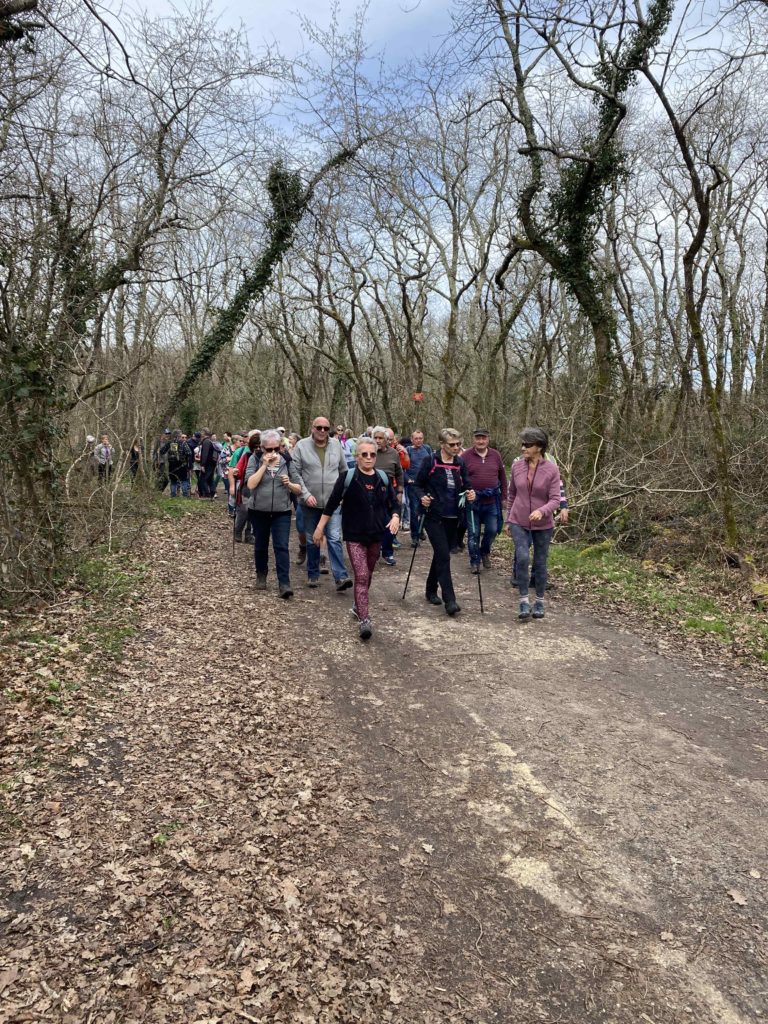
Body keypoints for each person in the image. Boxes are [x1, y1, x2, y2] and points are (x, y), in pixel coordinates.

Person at [312, 438, 400, 640]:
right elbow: (332, 504)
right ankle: (365, 620)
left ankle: (357, 606)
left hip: (376, 535)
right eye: (364, 454)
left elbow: (394, 504)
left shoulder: (383, 478)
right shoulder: (347, 478)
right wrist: (320, 528)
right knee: (360, 576)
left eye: (372, 454)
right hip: (354, 536)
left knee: (367, 574)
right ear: (357, 456)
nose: (369, 458)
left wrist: (395, 517)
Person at [414, 428, 475, 616]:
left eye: (458, 444)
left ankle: (430, 590)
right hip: (433, 516)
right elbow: (417, 485)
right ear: (442, 444)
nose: (456, 447)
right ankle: (450, 600)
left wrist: (471, 493)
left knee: (441, 554)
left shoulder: (460, 463)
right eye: (452, 445)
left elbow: (466, 484)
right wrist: (422, 497)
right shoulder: (430, 461)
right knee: (444, 555)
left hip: (454, 516)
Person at [506, 427, 562, 621]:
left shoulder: (551, 469)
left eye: (527, 445)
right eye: (522, 444)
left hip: (543, 523)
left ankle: (539, 601)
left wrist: (542, 511)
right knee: (522, 557)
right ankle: (523, 600)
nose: (523, 448)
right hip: (518, 520)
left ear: (539, 447)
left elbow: (556, 499)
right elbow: (512, 493)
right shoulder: (516, 466)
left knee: (540, 561)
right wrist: (508, 519)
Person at [245, 430, 307, 598]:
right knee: (260, 546)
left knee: (281, 546)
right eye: (268, 449)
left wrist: (290, 484)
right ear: (261, 448)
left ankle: (284, 584)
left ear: (281, 446)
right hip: (258, 511)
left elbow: (299, 487)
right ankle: (261, 576)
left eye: (276, 448)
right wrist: (264, 465)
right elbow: (250, 484)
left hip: (282, 511)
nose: (272, 453)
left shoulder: (287, 460)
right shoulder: (255, 459)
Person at [292, 416, 351, 591]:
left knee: (334, 537)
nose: (322, 431)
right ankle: (312, 573)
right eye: (319, 427)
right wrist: (305, 494)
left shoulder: (336, 445)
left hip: (333, 503)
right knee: (312, 539)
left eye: (326, 428)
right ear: (312, 428)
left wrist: (342, 494)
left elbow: (344, 471)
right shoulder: (301, 446)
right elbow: (296, 474)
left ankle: (341, 576)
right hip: (309, 502)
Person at [462, 428, 507, 574]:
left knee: (492, 530)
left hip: (492, 500)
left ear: (488, 439)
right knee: (473, 533)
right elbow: (459, 477)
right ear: (473, 439)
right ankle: (474, 561)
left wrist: (504, 497)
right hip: (472, 501)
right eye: (478, 438)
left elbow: (502, 477)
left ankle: (484, 551)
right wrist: (465, 493)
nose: (480, 441)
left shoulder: (496, 455)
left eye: (483, 438)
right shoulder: (466, 455)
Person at [372, 426, 404, 566]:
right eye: (375, 438)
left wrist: (400, 492)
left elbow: (399, 473)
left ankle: (387, 552)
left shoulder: (393, 453)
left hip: (390, 489)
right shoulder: (369, 452)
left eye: (380, 438)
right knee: (373, 522)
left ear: (386, 440)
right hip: (371, 488)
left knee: (391, 522)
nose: (378, 441)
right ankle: (374, 550)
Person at [404, 430, 433, 545]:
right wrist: (408, 479)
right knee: (414, 511)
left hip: (426, 485)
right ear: (412, 439)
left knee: (426, 510)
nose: (418, 440)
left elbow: (432, 464)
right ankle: (415, 537)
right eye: (416, 438)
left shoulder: (427, 449)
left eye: (420, 438)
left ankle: (421, 530)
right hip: (413, 485)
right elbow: (402, 468)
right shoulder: (408, 451)